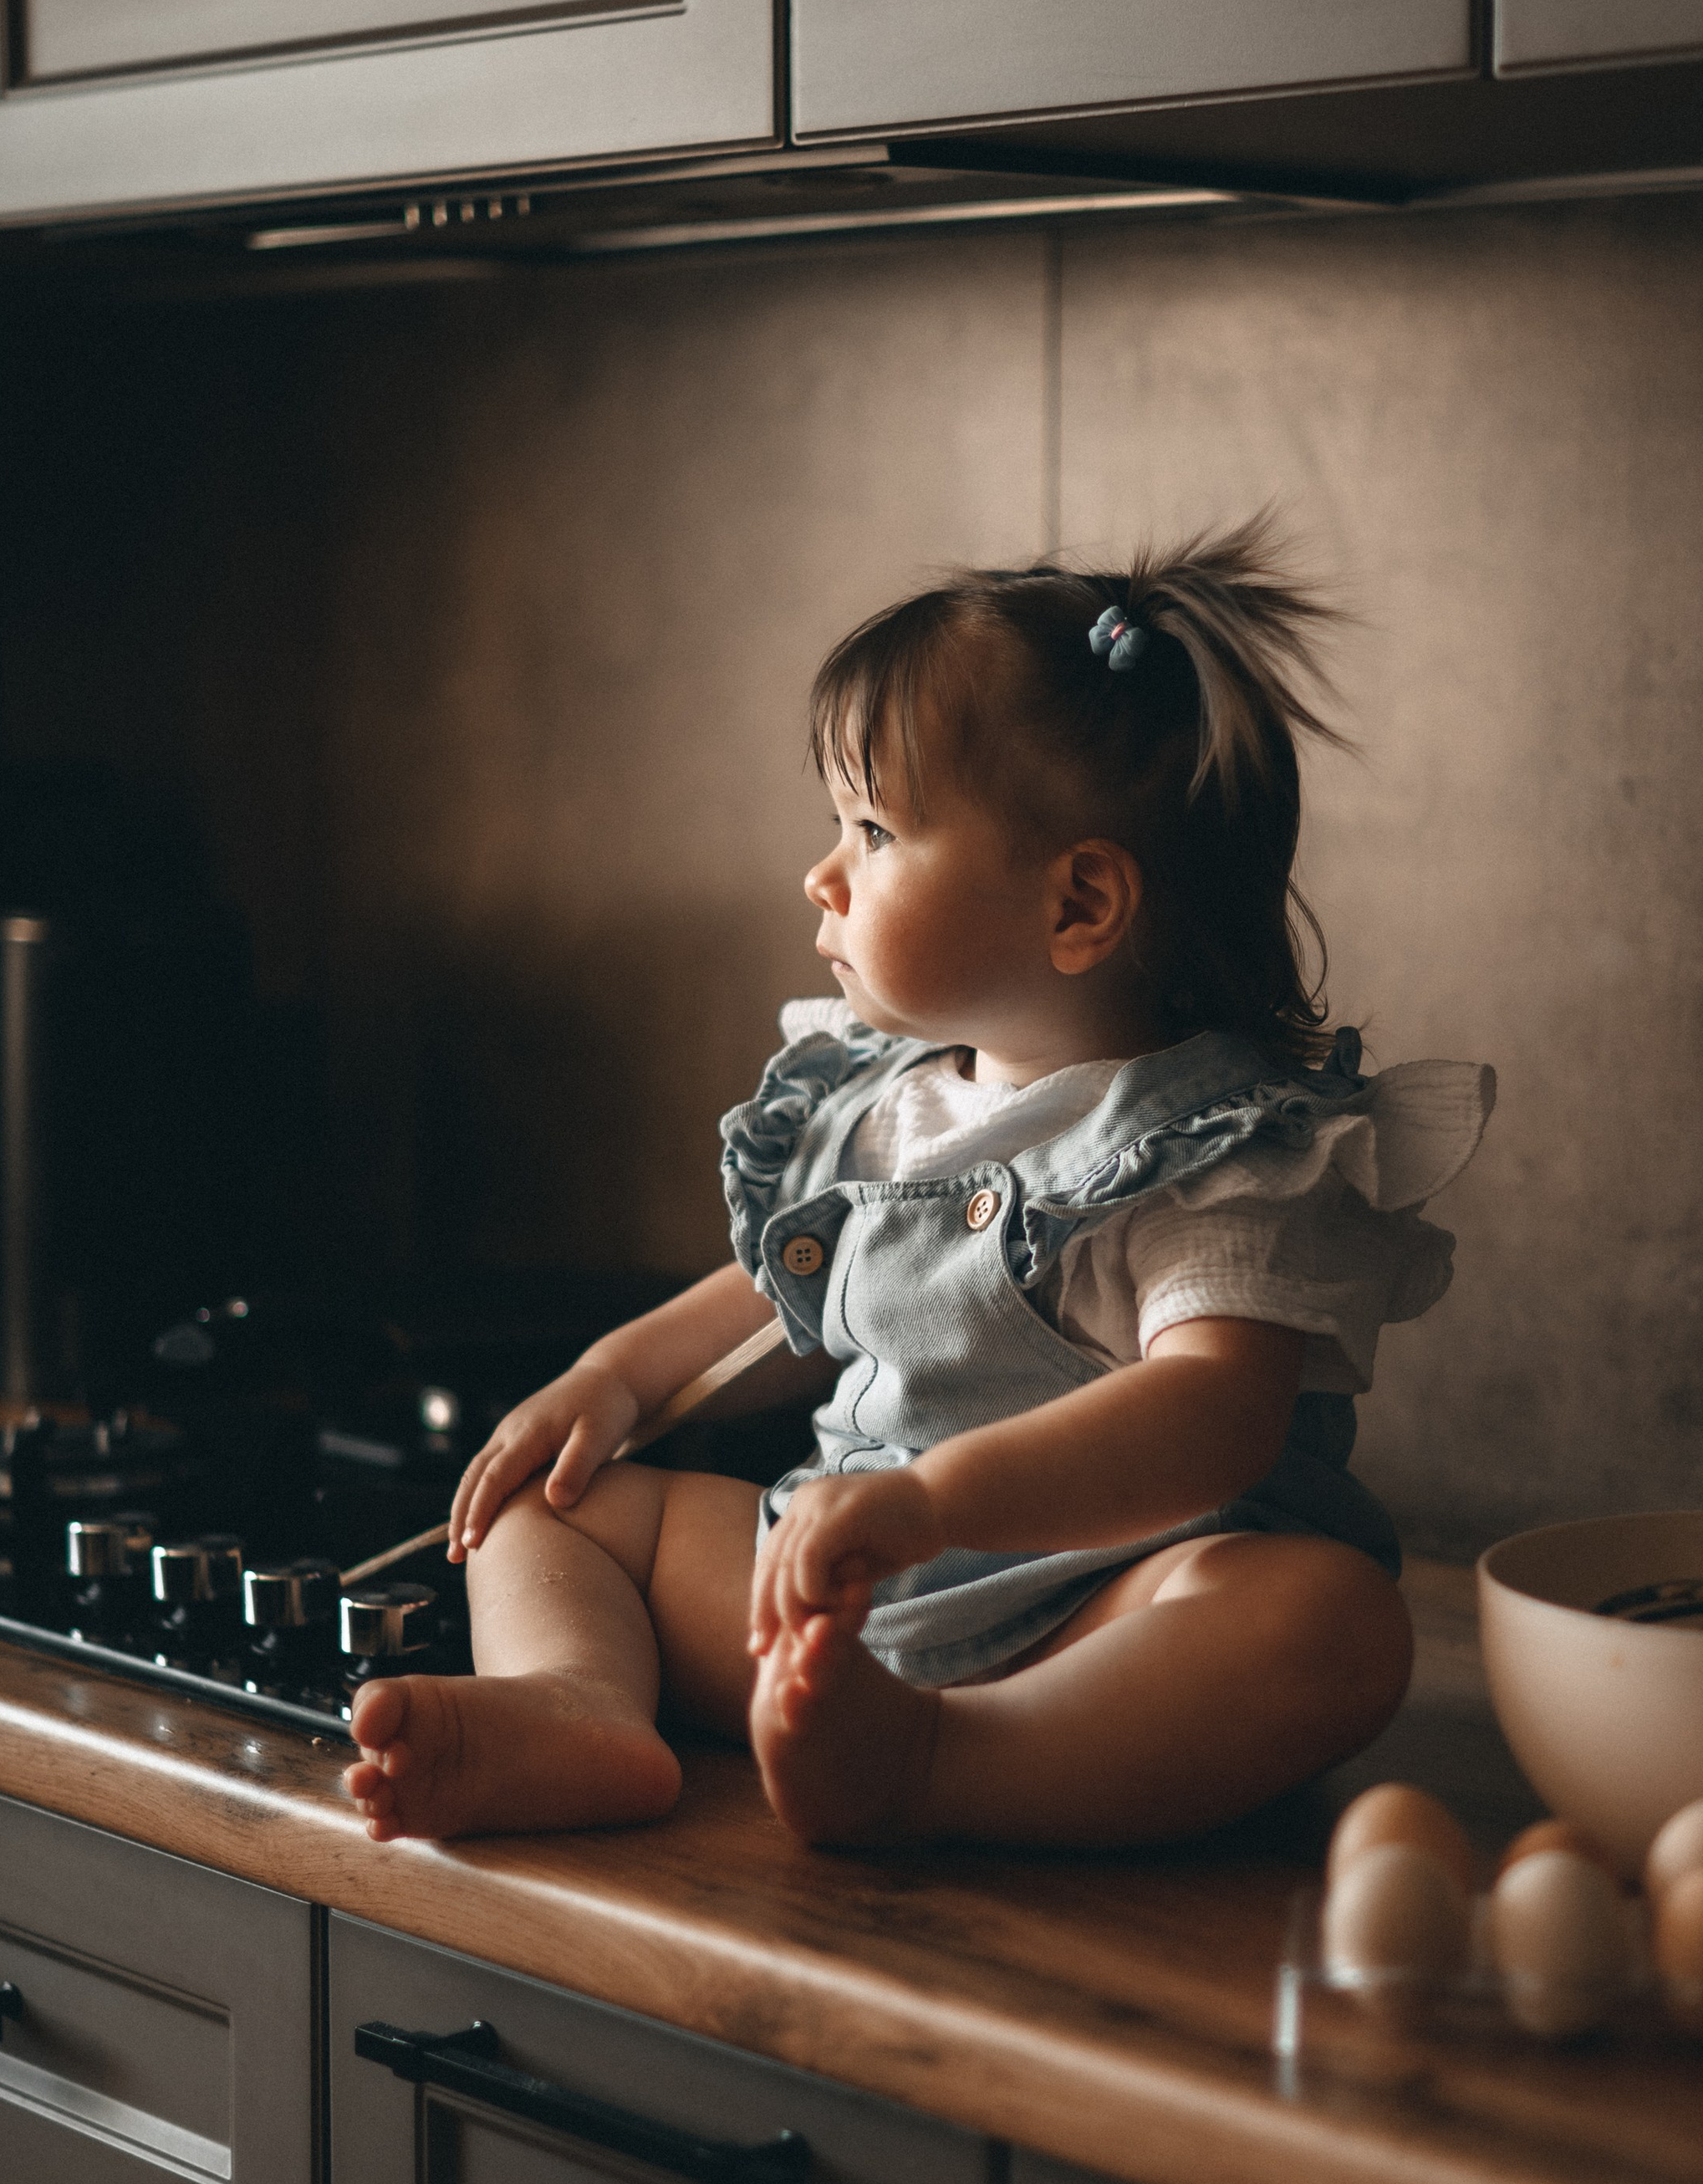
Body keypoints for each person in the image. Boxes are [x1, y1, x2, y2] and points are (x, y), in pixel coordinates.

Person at [344, 522, 1492, 1850]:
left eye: (874, 830)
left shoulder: (1213, 1148)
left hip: (1097, 1629)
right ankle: (582, 1703)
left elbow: (1214, 1416)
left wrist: (934, 1506)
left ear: (1078, 906)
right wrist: (611, 1378)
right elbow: (776, 1295)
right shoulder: (879, 1102)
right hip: (828, 1600)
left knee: (1329, 1624)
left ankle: (948, 1764)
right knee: (559, 1505)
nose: (822, 873)